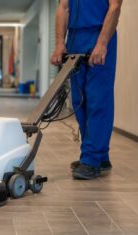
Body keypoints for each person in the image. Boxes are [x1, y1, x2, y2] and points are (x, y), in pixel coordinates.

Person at [51, 0, 123, 180]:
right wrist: (60, 43)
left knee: (98, 99)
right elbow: (63, 7)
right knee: (79, 100)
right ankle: (100, 157)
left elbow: (115, 6)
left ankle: (91, 159)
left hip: (99, 34)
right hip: (75, 38)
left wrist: (102, 43)